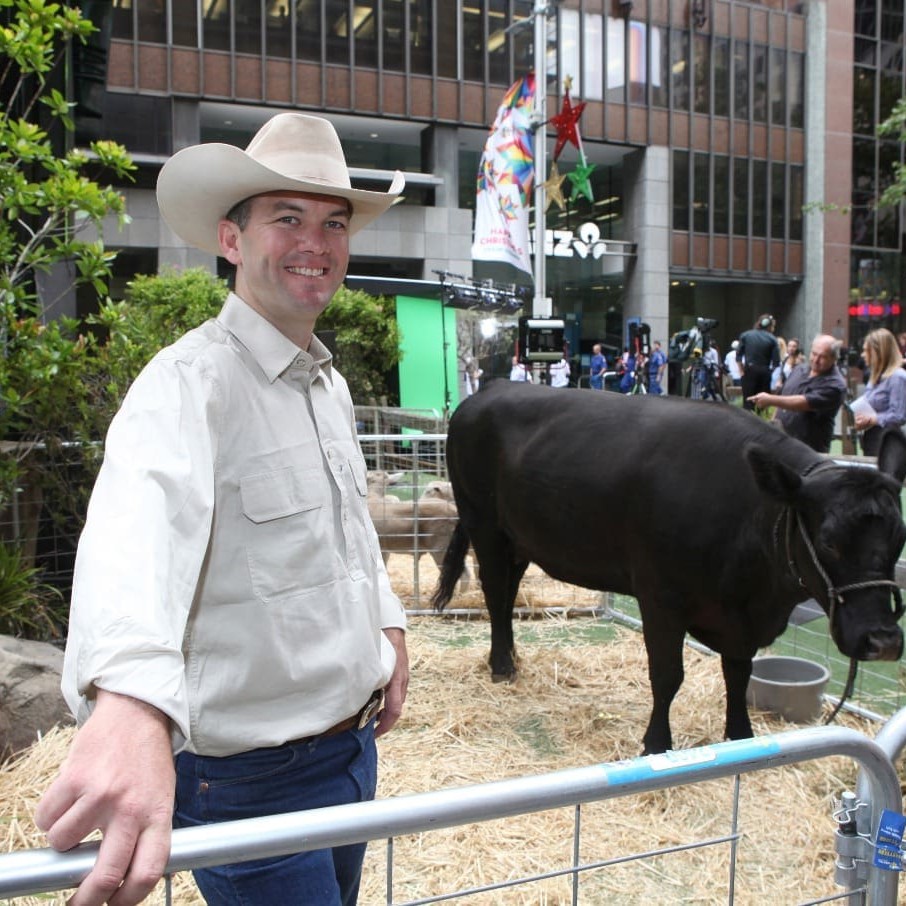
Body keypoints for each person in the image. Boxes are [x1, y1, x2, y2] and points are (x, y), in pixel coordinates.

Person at [34, 113, 410, 906]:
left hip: (352, 749)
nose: (317, 242)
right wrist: (131, 702)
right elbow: (138, 532)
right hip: (242, 776)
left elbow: (346, 532)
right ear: (231, 241)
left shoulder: (329, 384)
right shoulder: (187, 385)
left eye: (333, 223)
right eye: (288, 218)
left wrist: (388, 624)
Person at [747, 334, 846, 453]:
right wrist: (772, 424)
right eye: (814, 354)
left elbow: (804, 402)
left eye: (822, 357)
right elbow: (783, 398)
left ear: (834, 358)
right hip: (782, 442)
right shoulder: (799, 369)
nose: (816, 360)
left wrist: (770, 399)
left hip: (809, 449)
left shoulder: (835, 384)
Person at [853, 327, 906, 455]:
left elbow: (899, 415)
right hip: (871, 439)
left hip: (887, 443)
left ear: (877, 352)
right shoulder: (874, 376)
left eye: (866, 350)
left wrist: (873, 419)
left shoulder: (897, 377)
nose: (862, 354)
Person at [737, 314, 780, 411]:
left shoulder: (745, 335)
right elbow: (776, 362)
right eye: (773, 326)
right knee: (763, 403)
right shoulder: (772, 339)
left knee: (748, 403)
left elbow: (738, 355)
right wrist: (769, 372)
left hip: (749, 371)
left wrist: (741, 370)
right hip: (765, 372)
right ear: (769, 325)